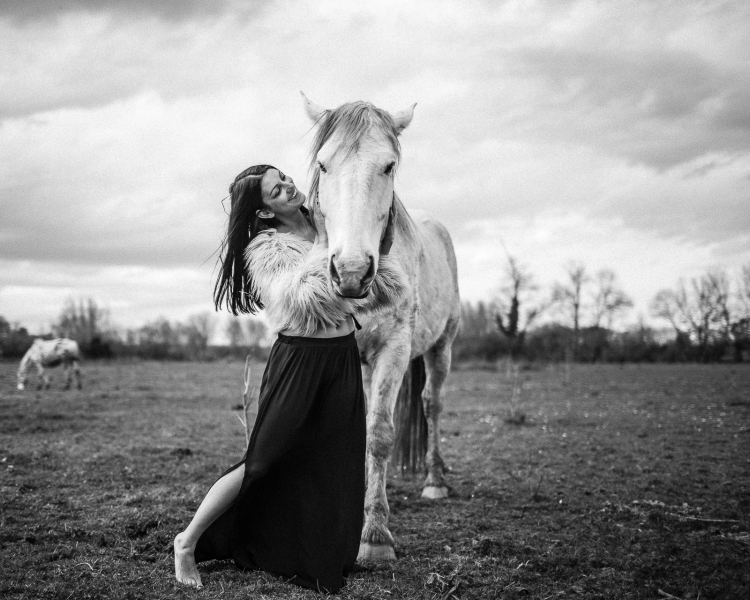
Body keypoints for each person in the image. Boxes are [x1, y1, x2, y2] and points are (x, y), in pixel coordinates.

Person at [173, 164, 400, 593]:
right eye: (277, 190)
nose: (290, 187)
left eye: (287, 179)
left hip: (341, 357)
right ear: (262, 213)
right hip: (300, 360)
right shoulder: (267, 248)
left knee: (333, 459)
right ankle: (187, 542)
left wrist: (360, 254)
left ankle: (322, 553)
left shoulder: (331, 226)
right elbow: (303, 297)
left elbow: (377, 289)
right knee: (263, 461)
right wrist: (333, 254)